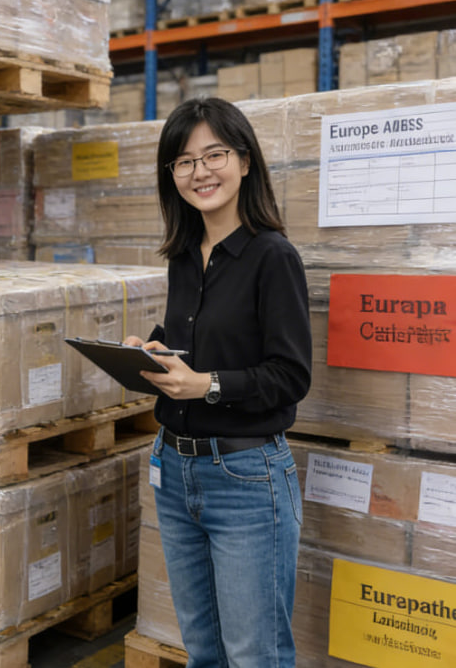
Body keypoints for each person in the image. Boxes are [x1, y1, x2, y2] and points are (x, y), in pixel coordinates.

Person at [124, 97, 311, 668]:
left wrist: (206, 385)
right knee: (203, 652)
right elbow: (202, 343)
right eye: (184, 161)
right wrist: (152, 352)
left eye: (214, 155)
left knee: (255, 656)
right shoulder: (184, 255)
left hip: (245, 477)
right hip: (174, 470)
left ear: (245, 162)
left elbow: (290, 375)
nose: (200, 172)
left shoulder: (272, 257)